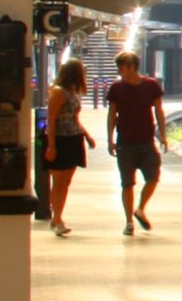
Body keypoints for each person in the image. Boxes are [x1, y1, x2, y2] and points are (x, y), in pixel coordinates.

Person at [104, 50, 168, 236]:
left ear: (131, 67)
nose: (119, 71)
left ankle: (140, 209)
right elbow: (112, 114)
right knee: (127, 184)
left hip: (147, 141)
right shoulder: (116, 88)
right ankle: (129, 221)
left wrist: (162, 135)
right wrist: (109, 138)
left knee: (153, 178)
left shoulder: (151, 85)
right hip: (125, 142)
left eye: (122, 67)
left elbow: (159, 111)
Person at [42, 59, 94, 236]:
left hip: (73, 138)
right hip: (60, 140)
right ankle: (57, 219)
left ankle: (57, 216)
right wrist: (51, 146)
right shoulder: (59, 92)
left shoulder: (73, 92)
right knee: (58, 181)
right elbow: (51, 121)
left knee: (66, 182)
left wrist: (86, 136)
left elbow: (74, 119)